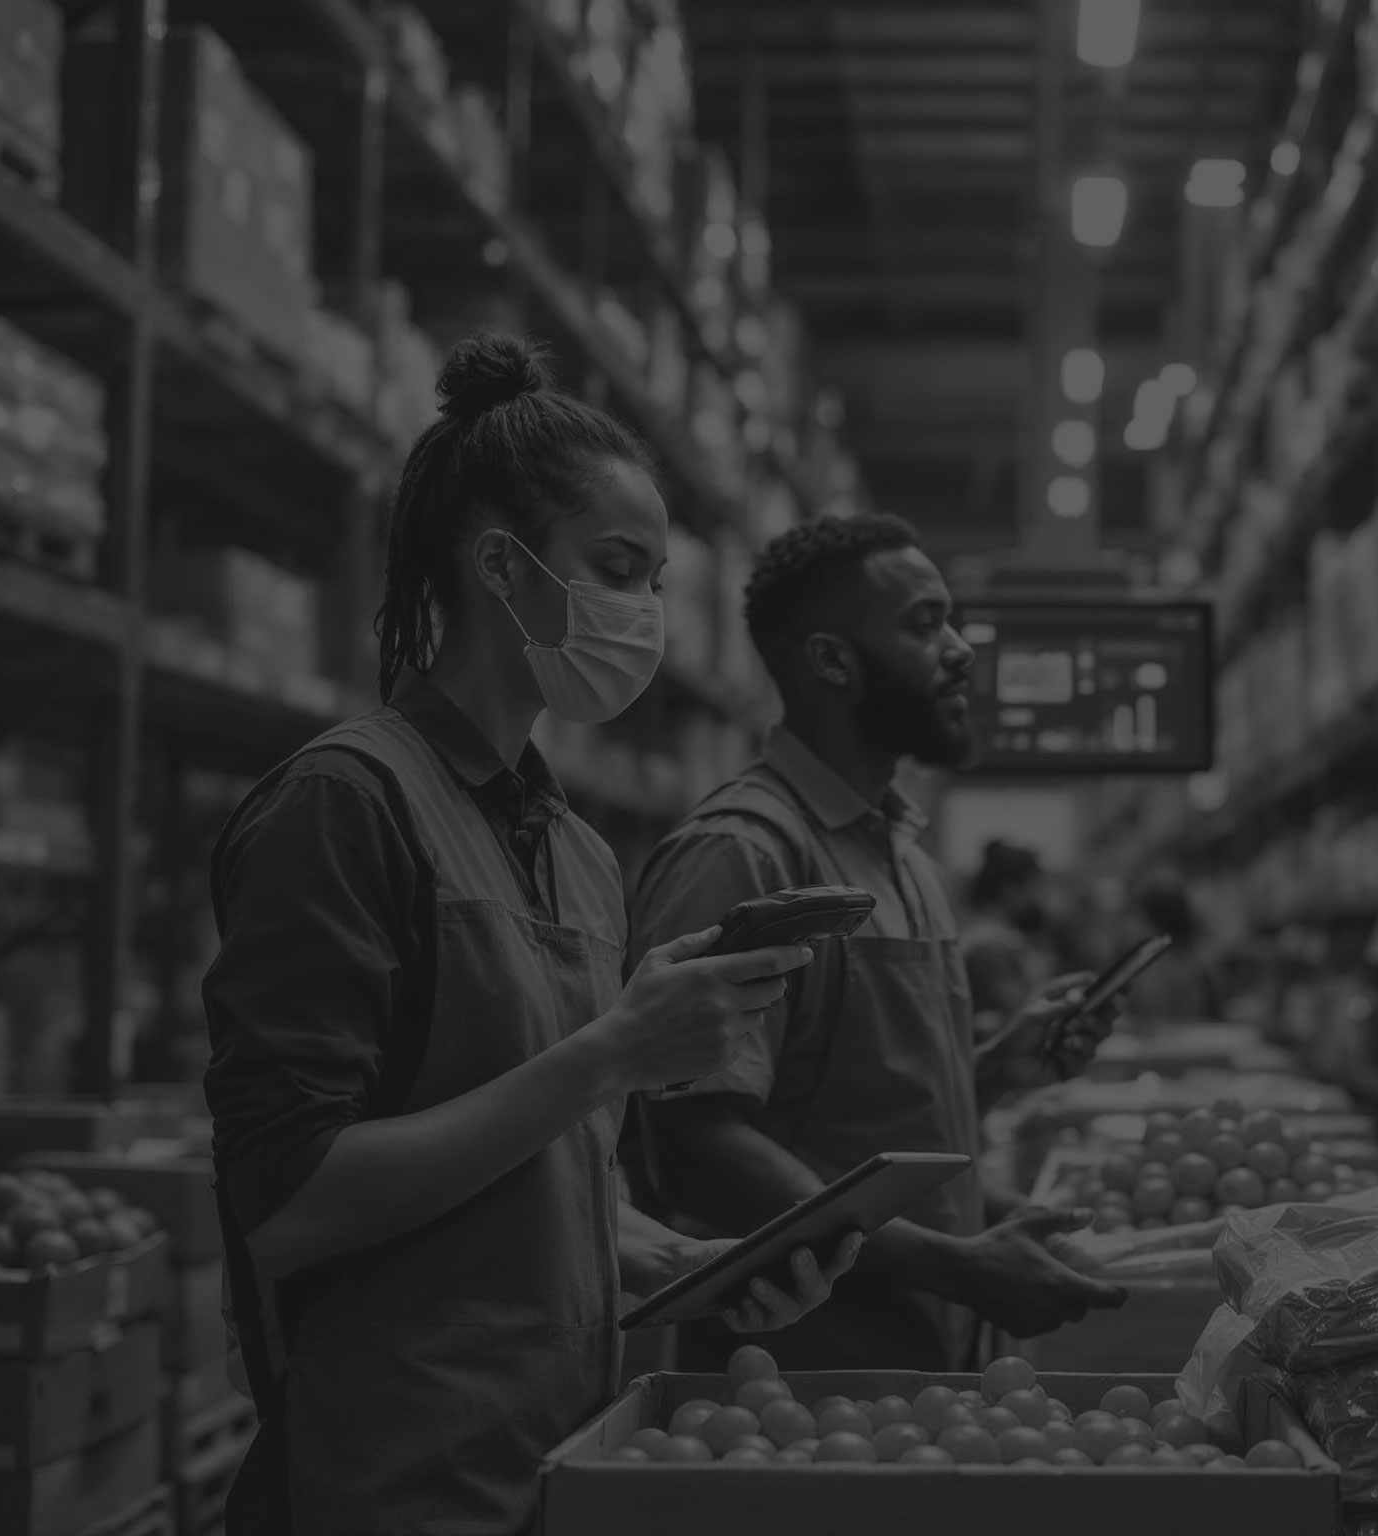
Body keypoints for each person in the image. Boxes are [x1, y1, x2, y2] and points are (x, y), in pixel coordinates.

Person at [200, 335, 858, 1536]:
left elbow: (543, 1180)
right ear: (501, 568)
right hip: (387, 1484)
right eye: (618, 568)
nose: (646, 614)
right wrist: (612, 1051)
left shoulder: (579, 851)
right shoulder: (344, 805)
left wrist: (683, 1265)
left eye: (657, 580)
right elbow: (290, 1207)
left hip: (555, 1459)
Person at [630, 514, 1128, 1372]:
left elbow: (852, 1123)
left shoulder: (903, 854)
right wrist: (958, 1265)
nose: (963, 650)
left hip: (921, 1368)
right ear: (831, 660)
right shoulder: (744, 854)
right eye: (925, 624)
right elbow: (700, 1147)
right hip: (792, 1383)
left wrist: (998, 1067)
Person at [959, 838, 1056, 1037]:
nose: (1039, 898)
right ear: (1010, 890)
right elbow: (1024, 1011)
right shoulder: (987, 947)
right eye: (1035, 887)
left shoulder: (1004, 937)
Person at [1124, 873, 1226, 1023]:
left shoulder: (1151, 969)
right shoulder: (1202, 958)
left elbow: (1148, 1020)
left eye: (1138, 918)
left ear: (1153, 922)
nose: (1132, 925)